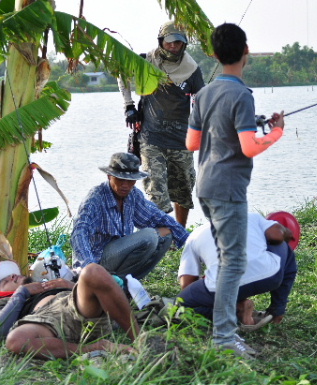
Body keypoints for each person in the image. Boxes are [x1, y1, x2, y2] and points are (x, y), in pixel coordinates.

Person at [185, 23, 285, 357]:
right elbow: (248, 148)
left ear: (213, 54)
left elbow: (192, 142)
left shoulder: (203, 94)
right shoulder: (241, 94)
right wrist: (276, 132)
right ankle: (225, 339)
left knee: (230, 259)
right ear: (246, 51)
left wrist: (251, 124)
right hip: (228, 189)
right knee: (233, 263)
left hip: (204, 186)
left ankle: (227, 330)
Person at [118, 21, 205, 227]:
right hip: (151, 137)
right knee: (155, 189)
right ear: (161, 42)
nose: (173, 46)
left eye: (178, 42)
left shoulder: (191, 69)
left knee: (183, 189)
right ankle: (159, 238)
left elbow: (202, 97)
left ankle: (180, 232)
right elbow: (121, 74)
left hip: (181, 139)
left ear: (184, 44)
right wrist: (129, 106)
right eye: (169, 42)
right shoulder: (146, 61)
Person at [71, 152, 189, 280]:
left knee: (166, 235)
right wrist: (89, 267)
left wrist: (191, 242)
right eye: (120, 179)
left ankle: (126, 283)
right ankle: (106, 281)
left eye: (130, 180)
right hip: (99, 259)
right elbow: (79, 233)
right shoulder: (95, 198)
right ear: (109, 176)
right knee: (149, 236)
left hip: (121, 254)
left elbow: (157, 217)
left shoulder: (133, 195)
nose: (125, 185)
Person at [0, 260, 139, 359]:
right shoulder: (7, 302)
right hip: (46, 322)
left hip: (75, 305)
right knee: (16, 340)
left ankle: (141, 341)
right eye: (6, 281)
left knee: (93, 271)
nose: (13, 276)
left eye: (15, 275)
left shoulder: (53, 284)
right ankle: (95, 348)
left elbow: (103, 290)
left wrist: (71, 286)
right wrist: (22, 292)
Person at [177, 213, 298, 330]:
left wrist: (205, 290)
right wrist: (286, 233)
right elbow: (276, 235)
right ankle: (277, 312)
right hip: (269, 276)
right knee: (283, 246)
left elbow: (187, 284)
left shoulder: (194, 235)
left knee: (180, 307)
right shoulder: (252, 217)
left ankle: (237, 310)